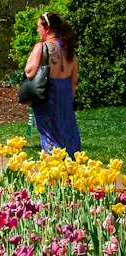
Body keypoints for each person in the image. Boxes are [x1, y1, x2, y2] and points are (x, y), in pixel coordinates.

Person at [24, 11, 81, 156]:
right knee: (67, 132)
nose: (38, 30)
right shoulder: (70, 50)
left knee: (50, 133)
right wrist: (69, 99)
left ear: (47, 29)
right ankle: (72, 167)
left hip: (49, 94)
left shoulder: (42, 47)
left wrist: (32, 55)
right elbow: (73, 80)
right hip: (66, 94)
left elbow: (29, 72)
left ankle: (53, 169)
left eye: (39, 27)